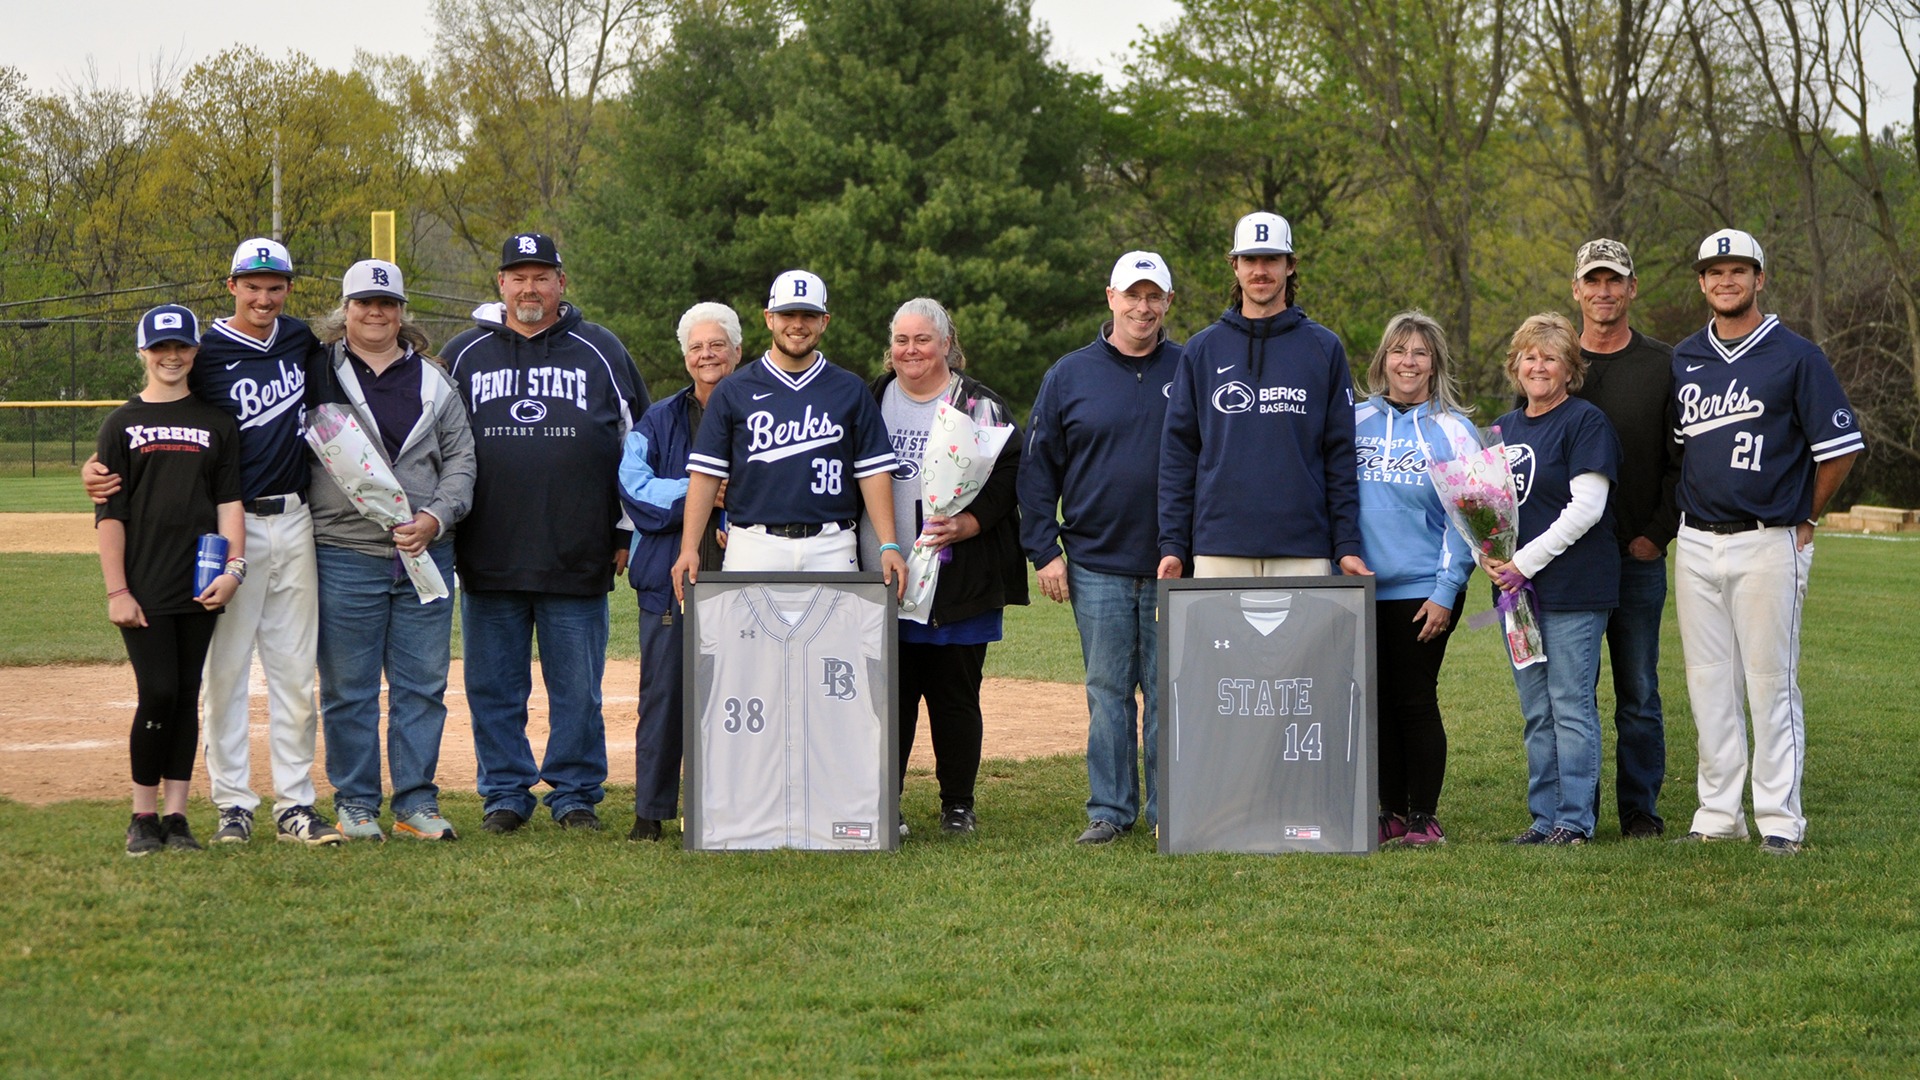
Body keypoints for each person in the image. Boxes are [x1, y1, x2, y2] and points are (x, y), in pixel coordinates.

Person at [85, 238, 341, 847]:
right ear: (231, 287)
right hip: (228, 527)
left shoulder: (299, 339)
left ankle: (294, 805)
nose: (263, 298)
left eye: (274, 287)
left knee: (294, 673)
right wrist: (95, 467)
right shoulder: (204, 351)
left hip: (295, 518)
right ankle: (233, 805)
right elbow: (154, 405)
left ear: (288, 289)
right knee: (224, 675)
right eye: (252, 286)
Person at [443, 232, 650, 834]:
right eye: (518, 277)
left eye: (541, 277)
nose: (529, 288)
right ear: (501, 284)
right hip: (488, 549)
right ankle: (504, 793)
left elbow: (638, 446)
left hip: (577, 547)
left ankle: (576, 792)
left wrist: (624, 530)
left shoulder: (601, 349)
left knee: (578, 690)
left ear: (561, 283)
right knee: (492, 687)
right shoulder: (463, 353)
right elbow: (436, 447)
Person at [1670, 229, 1863, 856]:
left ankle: (1780, 820)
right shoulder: (1686, 358)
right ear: (1702, 282)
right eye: (1714, 271)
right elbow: (1679, 452)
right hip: (1695, 542)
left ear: (1759, 278)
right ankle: (1718, 813)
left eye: (1738, 270)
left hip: (1766, 539)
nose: (1726, 281)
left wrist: (1806, 515)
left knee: (1769, 682)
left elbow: (1840, 449)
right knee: (1708, 684)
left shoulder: (1797, 356)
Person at [307, 260, 475, 842]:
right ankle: (355, 803)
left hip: (426, 553)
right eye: (364, 303)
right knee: (348, 689)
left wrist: (436, 517)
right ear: (346, 309)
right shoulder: (318, 372)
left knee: (422, 686)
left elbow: (462, 460)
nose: (375, 313)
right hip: (345, 552)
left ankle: (415, 803)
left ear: (402, 312)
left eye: (386, 303)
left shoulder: (435, 380)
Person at [1020, 251, 1183, 846]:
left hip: (1174, 565)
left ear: (1168, 303)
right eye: (1132, 294)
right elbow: (1037, 471)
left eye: (1154, 296)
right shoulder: (1069, 375)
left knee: (1168, 693)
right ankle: (1111, 811)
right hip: (1096, 563)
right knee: (1108, 693)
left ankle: (1171, 810)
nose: (1143, 306)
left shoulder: (1190, 368)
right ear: (1111, 297)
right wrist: (1044, 551)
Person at [859, 298, 1027, 836]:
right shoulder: (870, 399)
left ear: (946, 343)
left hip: (956, 579)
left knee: (955, 697)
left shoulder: (978, 405)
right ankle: (887, 803)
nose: (911, 350)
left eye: (923, 340)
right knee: (890, 700)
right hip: (883, 577)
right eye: (901, 340)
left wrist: (971, 522)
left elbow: (1012, 472)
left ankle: (957, 803)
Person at [97, 305, 245, 855]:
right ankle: (142, 815)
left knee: (185, 695)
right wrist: (117, 591)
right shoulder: (121, 425)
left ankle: (177, 817)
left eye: (181, 346)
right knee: (157, 691)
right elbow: (110, 516)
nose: (172, 356)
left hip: (201, 578)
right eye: (160, 348)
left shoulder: (217, 422)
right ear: (143, 353)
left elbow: (229, 503)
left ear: (195, 352)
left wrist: (233, 570)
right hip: (145, 582)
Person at [1158, 211, 1369, 581]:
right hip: (1219, 545)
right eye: (1250, 260)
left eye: (1271, 259)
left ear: (1290, 266)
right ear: (1235, 266)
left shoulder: (1324, 348)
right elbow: (1179, 455)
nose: (1260, 271)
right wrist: (1173, 544)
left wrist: (1346, 544)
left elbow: (1340, 455)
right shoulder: (1203, 349)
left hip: (1303, 546)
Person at [671, 270, 906, 596]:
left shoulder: (850, 388)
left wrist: (888, 544)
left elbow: (873, 472)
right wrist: (689, 548)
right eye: (787, 315)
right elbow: (705, 475)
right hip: (753, 543)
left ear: (824, 321)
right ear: (769, 318)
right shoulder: (733, 390)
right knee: (749, 631)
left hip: (832, 544)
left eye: (808, 315)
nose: (798, 324)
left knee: (833, 632)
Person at [1488, 313, 1622, 846]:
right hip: (1517, 596)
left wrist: (1524, 562)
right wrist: (1488, 555)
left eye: (1550, 357)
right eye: (1530, 356)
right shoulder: (1503, 428)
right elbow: (1483, 507)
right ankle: (1543, 818)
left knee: (1570, 706)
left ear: (1570, 368)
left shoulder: (1585, 422)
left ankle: (1574, 820)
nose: (1538, 366)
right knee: (1536, 711)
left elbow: (1587, 507)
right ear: (1515, 366)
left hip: (1572, 589)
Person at [1353, 311, 1481, 847]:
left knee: (1414, 699)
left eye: (1420, 353)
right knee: (1376, 704)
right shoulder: (1353, 420)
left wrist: (1446, 590)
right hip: (1359, 590)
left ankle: (1424, 816)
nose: (1408, 362)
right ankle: (1391, 813)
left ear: (1435, 364)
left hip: (1423, 589)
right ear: (1383, 359)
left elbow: (1470, 519)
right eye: (1399, 351)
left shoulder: (1454, 430)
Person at [616, 302, 742, 843]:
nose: (707, 355)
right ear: (685, 356)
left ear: (738, 351)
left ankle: (730, 806)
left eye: (717, 345)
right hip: (669, 579)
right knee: (664, 696)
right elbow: (635, 488)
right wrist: (705, 492)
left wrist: (731, 509)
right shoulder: (658, 419)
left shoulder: (760, 409)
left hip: (743, 572)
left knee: (739, 695)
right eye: (697, 347)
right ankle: (651, 811)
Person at [1567, 238, 1680, 839]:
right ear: (1576, 290)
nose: (1604, 291)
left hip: (1636, 557)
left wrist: (1657, 535)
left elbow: (1681, 461)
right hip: (1571, 564)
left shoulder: (1664, 364)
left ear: (1632, 288)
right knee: (1573, 693)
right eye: (1593, 280)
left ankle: (1639, 810)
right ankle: (1575, 811)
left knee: (1637, 690)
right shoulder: (1555, 361)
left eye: (1615, 280)